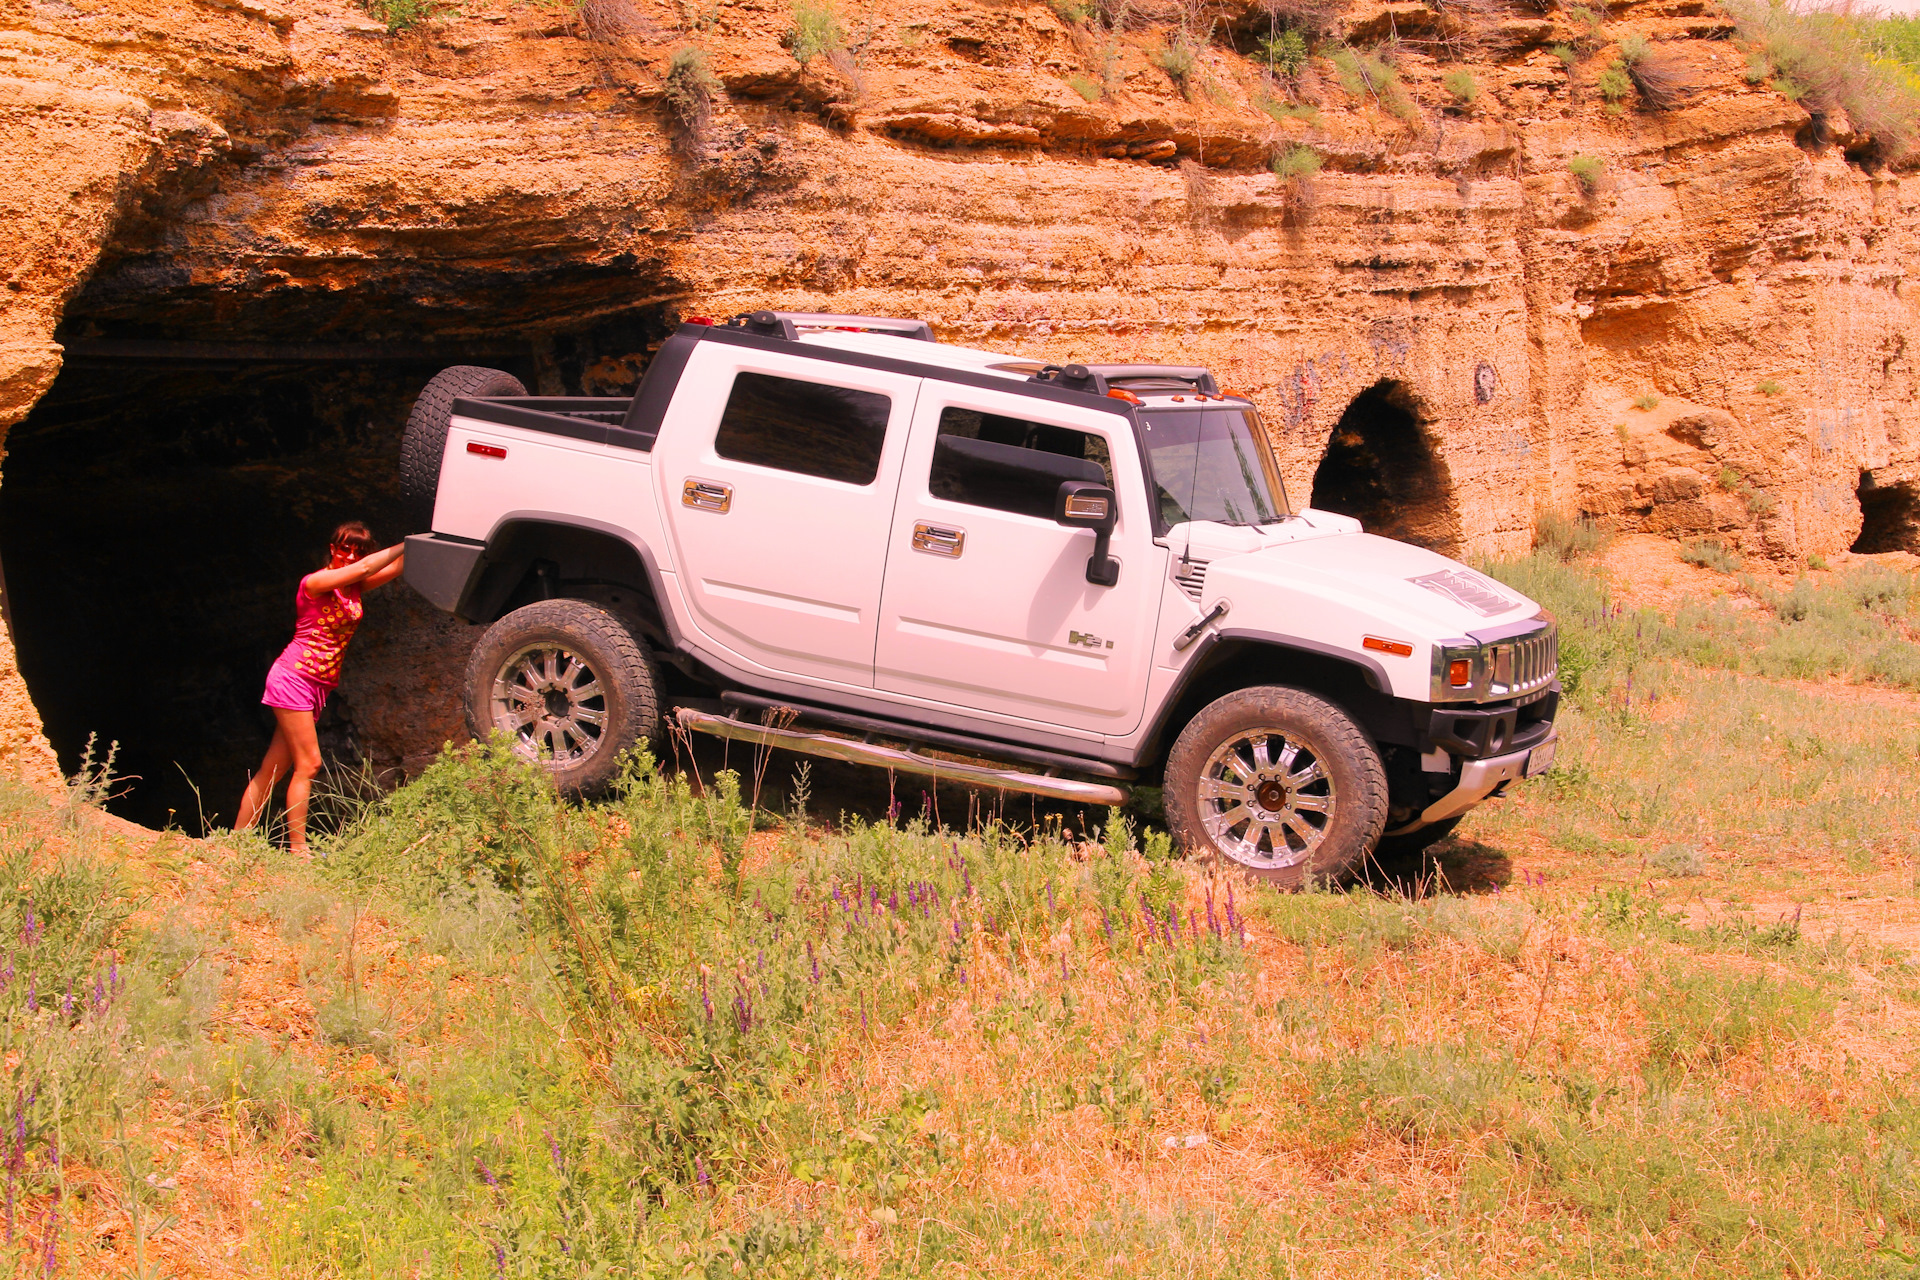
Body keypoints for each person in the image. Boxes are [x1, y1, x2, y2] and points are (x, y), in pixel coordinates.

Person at [235, 521, 405, 856]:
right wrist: (407, 542)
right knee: (309, 764)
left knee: (274, 769)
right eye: (345, 548)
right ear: (332, 547)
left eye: (358, 550)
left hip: (316, 686)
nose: (351, 555)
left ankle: (235, 842)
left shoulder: (353, 587)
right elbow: (370, 565)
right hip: (294, 678)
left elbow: (398, 566)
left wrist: (433, 536)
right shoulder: (315, 581)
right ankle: (299, 852)